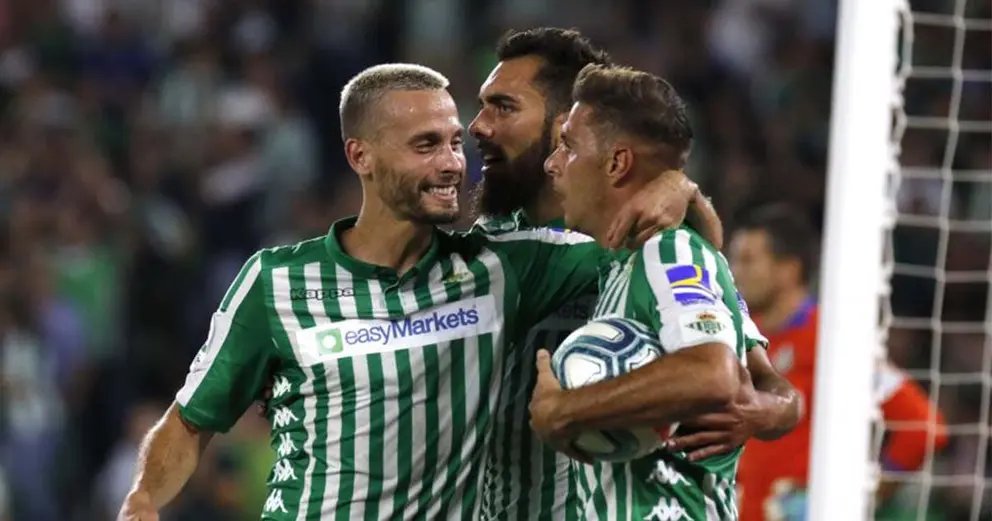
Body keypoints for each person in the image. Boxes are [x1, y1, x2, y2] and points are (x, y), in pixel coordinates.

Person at [117, 63, 699, 521]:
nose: (452, 164)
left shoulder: (501, 268)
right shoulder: (277, 282)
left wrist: (678, 189)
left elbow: (663, 254)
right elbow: (190, 422)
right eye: (426, 146)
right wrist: (143, 497)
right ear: (360, 156)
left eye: (454, 143)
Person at [470, 28, 800, 520]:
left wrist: (758, 408)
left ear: (562, 126)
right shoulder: (493, 241)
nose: (478, 126)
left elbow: (755, 380)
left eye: (503, 107)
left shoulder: (658, 246)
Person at [727, 203, 949, 521]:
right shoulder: (743, 338)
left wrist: (866, 496)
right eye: (734, 260)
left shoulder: (834, 340)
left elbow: (923, 426)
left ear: (788, 269)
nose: (735, 273)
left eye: (748, 260)